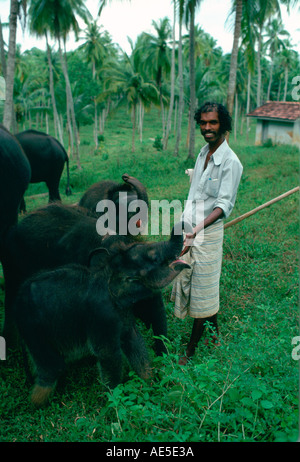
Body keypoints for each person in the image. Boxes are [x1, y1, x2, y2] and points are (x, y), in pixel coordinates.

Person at [171, 101, 243, 365]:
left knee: (202, 289)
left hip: (208, 236)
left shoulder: (231, 162)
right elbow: (195, 195)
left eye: (213, 122)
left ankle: (190, 350)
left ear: (223, 124)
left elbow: (224, 205)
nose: (207, 127)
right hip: (189, 229)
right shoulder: (203, 153)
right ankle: (215, 334)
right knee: (201, 286)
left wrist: (199, 229)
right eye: (203, 122)